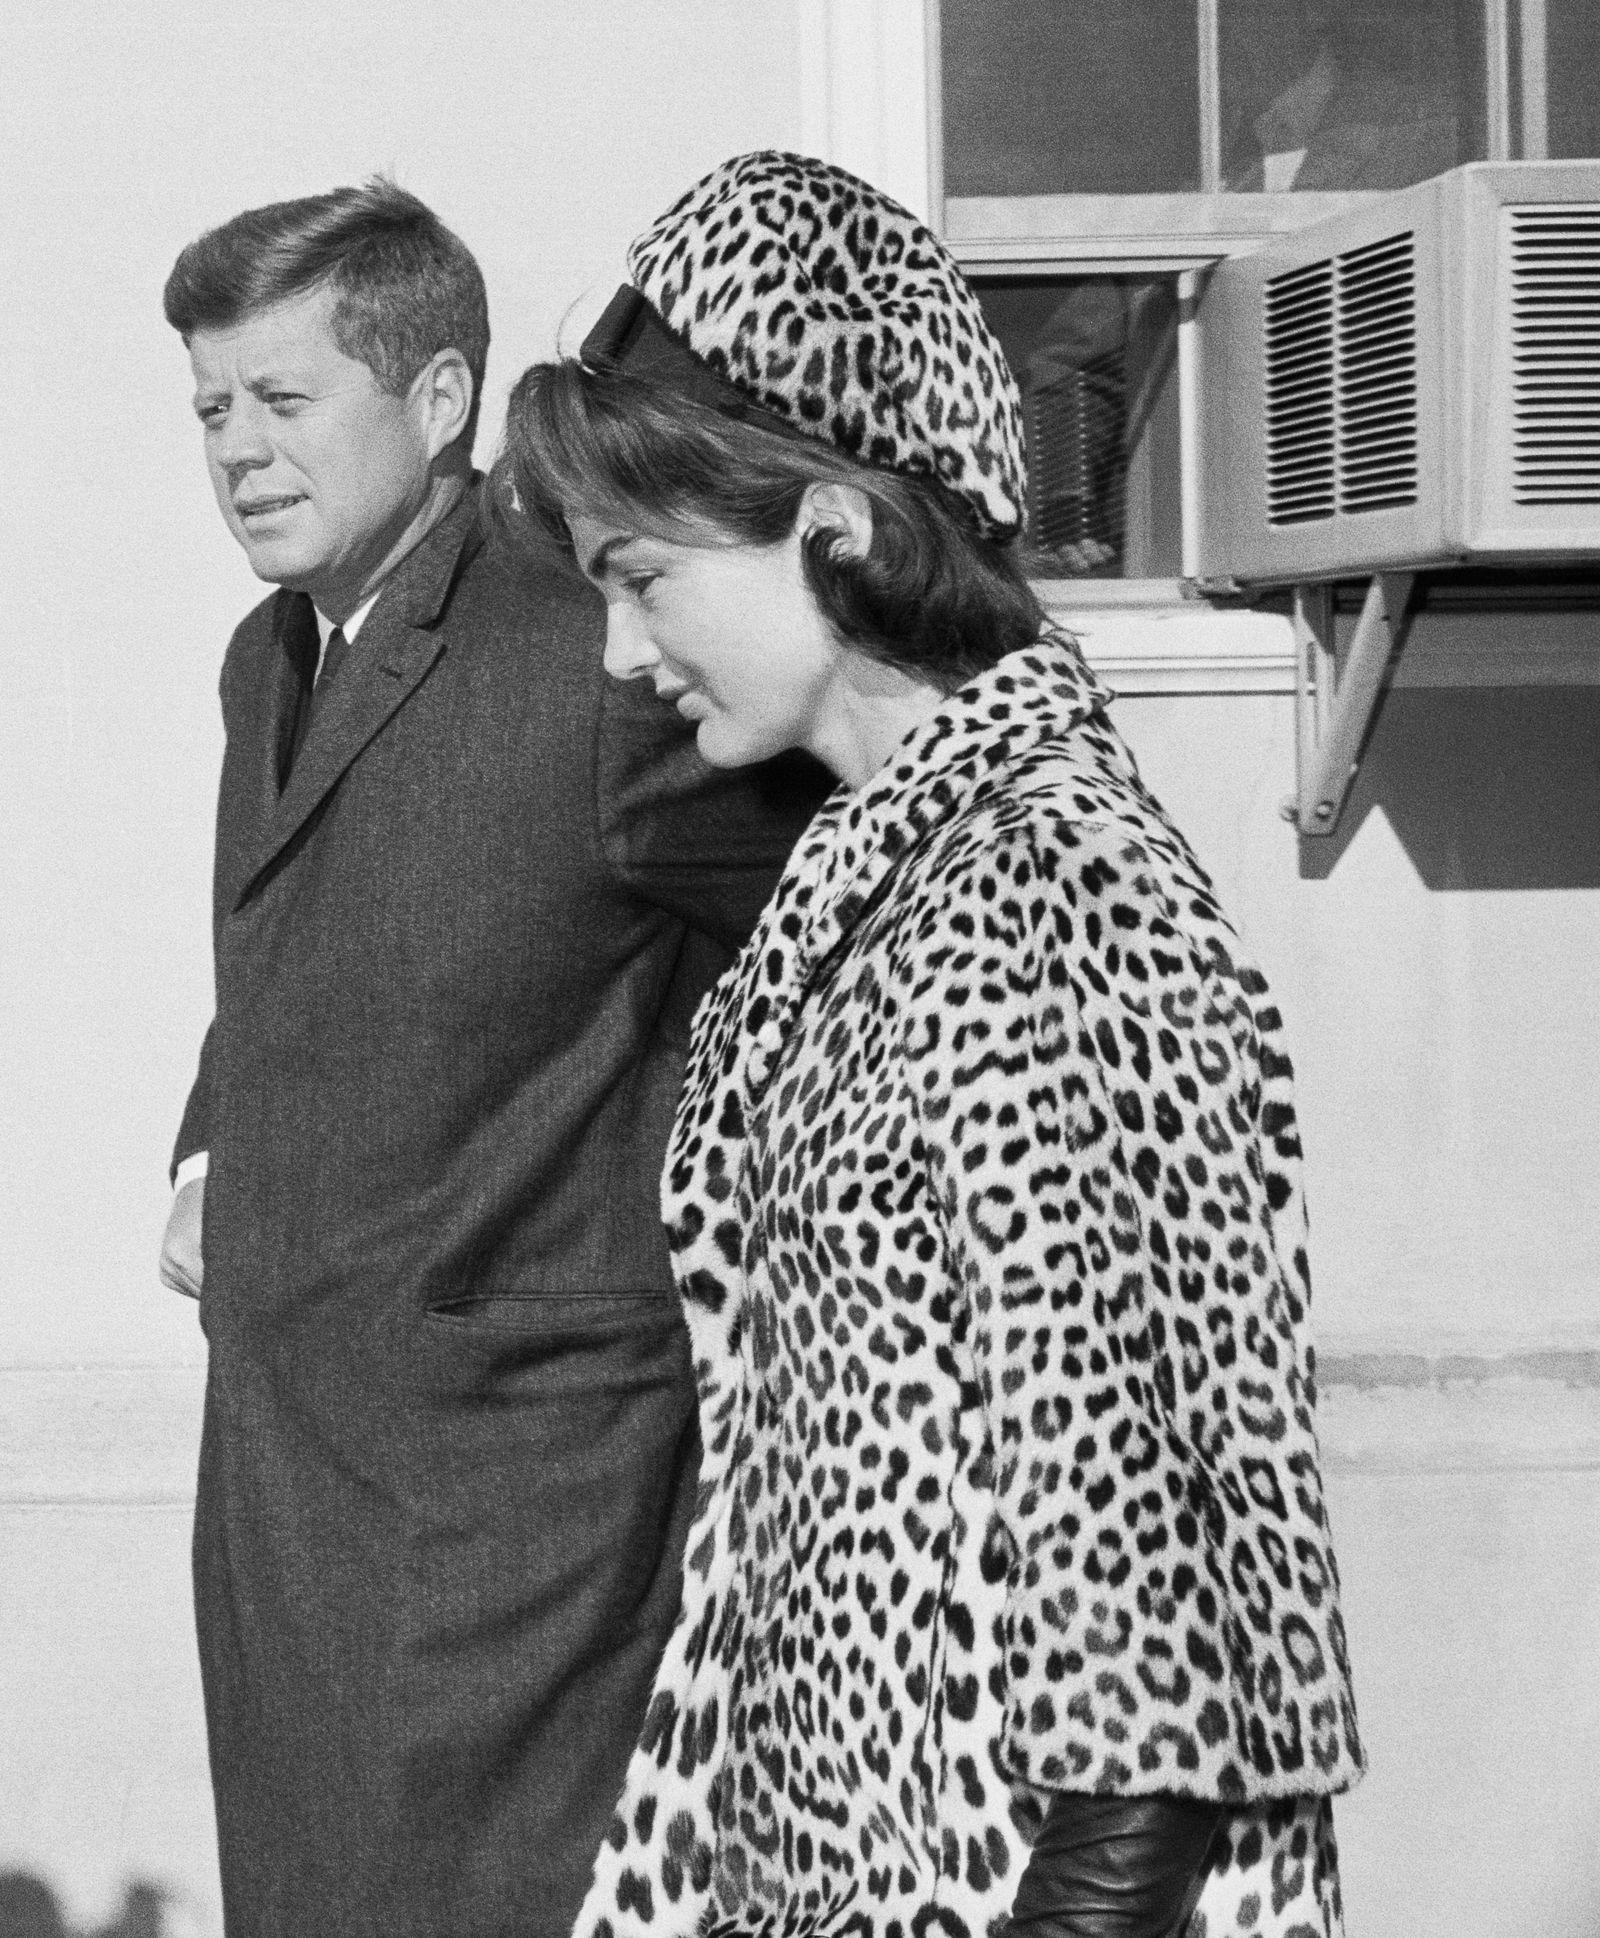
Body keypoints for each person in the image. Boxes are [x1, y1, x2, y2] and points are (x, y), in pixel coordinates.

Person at [494, 151, 1365, 1938]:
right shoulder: (881, 880)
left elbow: (1166, 1628)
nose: (619, 647)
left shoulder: (1054, 885)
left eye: (644, 576)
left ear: (838, 528)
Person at [158, 179, 824, 1938]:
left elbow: (842, 926)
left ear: (439, 398)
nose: (236, 449)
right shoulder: (269, 655)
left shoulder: (597, 640)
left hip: (517, 1533)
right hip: (290, 1488)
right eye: (211, 408)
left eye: (283, 401)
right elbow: (288, 952)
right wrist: (211, 1147)